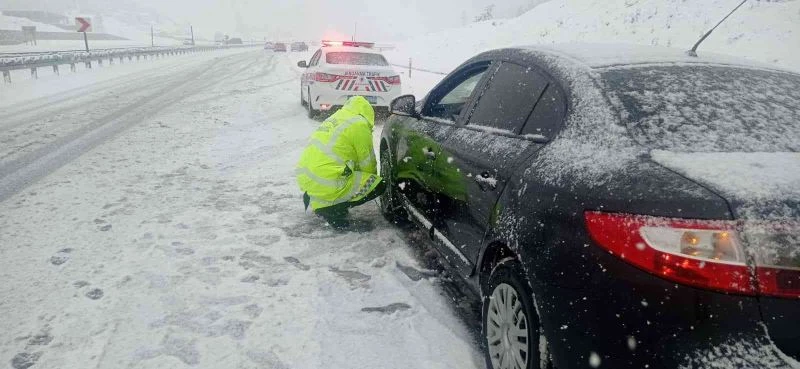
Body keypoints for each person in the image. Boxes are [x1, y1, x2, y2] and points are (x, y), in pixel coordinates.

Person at [295, 96, 385, 229]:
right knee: (379, 185)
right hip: (327, 180)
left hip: (308, 178)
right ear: (368, 112)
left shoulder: (336, 118)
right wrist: (371, 181)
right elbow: (367, 162)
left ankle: (325, 202)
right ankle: (332, 209)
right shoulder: (359, 124)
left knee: (342, 174)